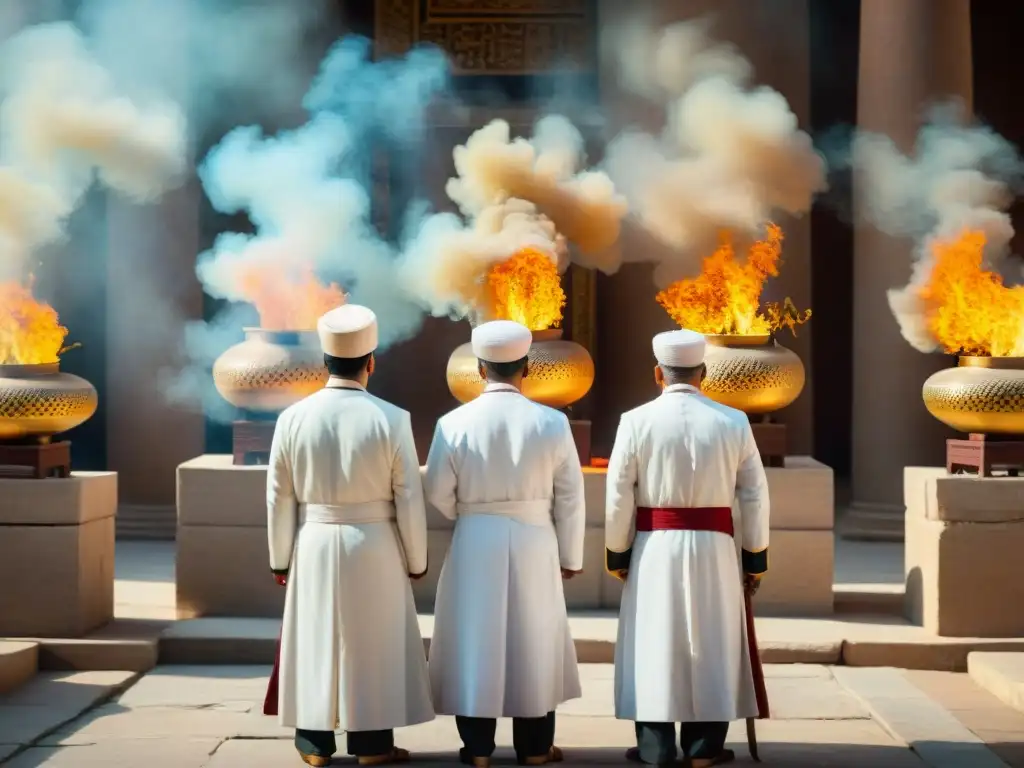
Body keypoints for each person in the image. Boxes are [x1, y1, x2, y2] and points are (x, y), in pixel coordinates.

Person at [265, 304, 434, 767]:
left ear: (325, 362)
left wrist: (280, 558)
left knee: (315, 635)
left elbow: (279, 498)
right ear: (371, 362)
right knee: (373, 641)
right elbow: (409, 497)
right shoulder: (393, 418)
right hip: (374, 541)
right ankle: (373, 745)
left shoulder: (292, 419)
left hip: (315, 539)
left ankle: (314, 745)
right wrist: (416, 559)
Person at [424, 319, 586, 768]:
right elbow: (571, 495)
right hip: (535, 538)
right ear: (527, 367)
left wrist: (471, 515)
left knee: (473, 636)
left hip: (476, 536)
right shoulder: (552, 422)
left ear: (479, 368)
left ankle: (477, 748)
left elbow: (437, 490)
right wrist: (570, 555)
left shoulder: (453, 422)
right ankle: (535, 747)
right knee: (534, 636)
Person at [605, 329, 770, 768]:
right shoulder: (734, 420)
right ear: (704, 374)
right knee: (712, 639)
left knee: (655, 640)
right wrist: (754, 557)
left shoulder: (635, 420)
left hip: (654, 546)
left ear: (658, 373)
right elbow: (754, 494)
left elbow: (620, 494)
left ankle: (655, 748)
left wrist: (618, 553)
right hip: (715, 549)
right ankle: (704, 748)